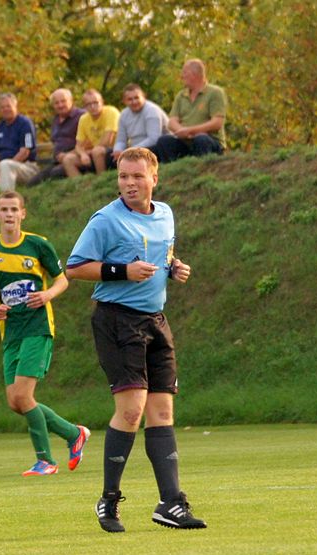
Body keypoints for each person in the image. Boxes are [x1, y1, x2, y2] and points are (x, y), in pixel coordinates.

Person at [66, 147, 206, 532]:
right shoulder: (105, 220)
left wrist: (174, 268)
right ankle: (109, 500)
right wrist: (121, 271)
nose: (129, 183)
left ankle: (171, 503)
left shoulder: (165, 214)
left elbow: (164, 255)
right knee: (131, 411)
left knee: (161, 413)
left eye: (137, 177)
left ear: (153, 179)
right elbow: (74, 268)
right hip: (116, 320)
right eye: (123, 177)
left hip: (155, 320)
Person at [0, 190, 90, 476]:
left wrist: (47, 294)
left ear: (23, 213)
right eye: (4, 209)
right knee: (15, 401)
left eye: (14, 209)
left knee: (24, 396)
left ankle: (46, 461)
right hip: (10, 332)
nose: (9, 214)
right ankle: (74, 433)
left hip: (37, 328)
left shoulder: (38, 245)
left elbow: (63, 280)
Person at [153, 59, 226, 163]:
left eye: (185, 73)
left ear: (194, 74)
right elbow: (172, 122)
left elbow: (217, 123)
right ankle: (173, 173)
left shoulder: (215, 93)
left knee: (201, 139)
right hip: (186, 141)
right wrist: (183, 131)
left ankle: (203, 173)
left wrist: (191, 131)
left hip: (209, 141)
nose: (182, 76)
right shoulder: (181, 95)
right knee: (164, 141)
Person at [27, 88, 84, 186]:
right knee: (32, 183)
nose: (60, 105)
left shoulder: (81, 116)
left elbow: (87, 142)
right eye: (56, 103)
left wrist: (68, 154)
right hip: (56, 161)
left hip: (76, 158)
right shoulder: (56, 120)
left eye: (63, 101)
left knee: (56, 174)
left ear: (71, 101)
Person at [62, 89, 120, 178]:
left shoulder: (111, 112)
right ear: (84, 106)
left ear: (102, 102)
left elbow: (107, 141)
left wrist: (89, 151)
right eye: (88, 104)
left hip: (114, 152)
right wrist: (83, 154)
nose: (93, 106)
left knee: (97, 151)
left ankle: (101, 180)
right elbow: (78, 146)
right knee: (67, 159)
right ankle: (81, 186)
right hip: (95, 153)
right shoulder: (83, 119)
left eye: (96, 103)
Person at [110, 84, 169, 166]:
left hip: (156, 147)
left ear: (144, 97)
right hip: (136, 148)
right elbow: (120, 140)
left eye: (136, 98)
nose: (134, 102)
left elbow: (154, 139)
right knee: (109, 155)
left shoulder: (151, 110)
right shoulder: (124, 114)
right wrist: (117, 150)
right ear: (124, 101)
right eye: (130, 99)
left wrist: (131, 150)